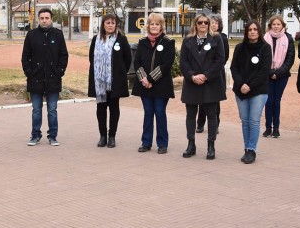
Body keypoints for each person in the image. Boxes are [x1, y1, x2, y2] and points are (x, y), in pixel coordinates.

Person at [180, 14, 226, 160]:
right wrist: (193, 76)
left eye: (206, 22)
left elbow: (220, 60)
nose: (203, 24)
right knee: (190, 115)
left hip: (210, 82)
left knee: (211, 114)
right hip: (192, 82)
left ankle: (211, 146)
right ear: (195, 24)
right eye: (200, 22)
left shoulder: (216, 38)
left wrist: (205, 76)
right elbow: (183, 62)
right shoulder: (188, 40)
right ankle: (191, 144)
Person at [21, 8, 68, 146]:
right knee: (36, 110)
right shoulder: (31, 35)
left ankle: (53, 136)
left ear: (51, 19)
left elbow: (63, 55)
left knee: (52, 110)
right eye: (41, 18)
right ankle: (35, 135)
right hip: (35, 79)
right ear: (38, 19)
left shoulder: (58, 35)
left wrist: (60, 71)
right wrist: (29, 72)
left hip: (53, 78)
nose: (44, 20)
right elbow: (25, 56)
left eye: (47, 18)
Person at [132, 13, 175, 154]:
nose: (154, 26)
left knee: (160, 113)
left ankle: (162, 144)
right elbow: (137, 61)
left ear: (161, 26)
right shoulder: (142, 41)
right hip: (144, 85)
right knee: (148, 113)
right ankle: (146, 142)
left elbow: (167, 64)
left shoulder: (168, 42)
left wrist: (150, 79)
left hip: (161, 85)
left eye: (157, 24)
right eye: (152, 24)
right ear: (148, 26)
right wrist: (144, 79)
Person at [88, 14, 132, 148]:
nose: (110, 25)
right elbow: (91, 58)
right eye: (108, 23)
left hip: (115, 81)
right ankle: (102, 136)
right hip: (99, 82)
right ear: (103, 25)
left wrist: (118, 72)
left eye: (113, 23)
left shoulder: (122, 39)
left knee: (114, 108)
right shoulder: (96, 39)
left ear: (116, 25)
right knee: (101, 108)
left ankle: (112, 136)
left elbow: (128, 59)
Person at [231, 20, 272, 164]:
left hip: (258, 90)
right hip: (241, 90)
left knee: (254, 120)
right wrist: (241, 84)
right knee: (245, 121)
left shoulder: (265, 48)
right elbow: (234, 68)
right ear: (246, 32)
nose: (253, 32)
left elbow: (264, 71)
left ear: (259, 31)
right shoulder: (239, 48)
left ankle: (252, 149)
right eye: (250, 29)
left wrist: (249, 85)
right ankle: (246, 148)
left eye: (255, 29)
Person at [262, 15, 295, 138]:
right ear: (270, 26)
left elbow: (290, 58)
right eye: (273, 24)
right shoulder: (264, 38)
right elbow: (262, 58)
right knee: (268, 101)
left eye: (278, 24)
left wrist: (278, 72)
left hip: (282, 75)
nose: (276, 26)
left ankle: (276, 128)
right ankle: (267, 128)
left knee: (276, 101)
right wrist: (270, 72)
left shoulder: (288, 38)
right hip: (267, 75)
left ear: (283, 26)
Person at [196, 14, 229, 134]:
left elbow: (223, 58)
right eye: (212, 22)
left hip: (216, 73)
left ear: (219, 25)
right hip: (202, 73)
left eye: (216, 23)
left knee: (215, 101)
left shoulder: (222, 38)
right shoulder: (203, 37)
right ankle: (200, 123)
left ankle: (215, 124)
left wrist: (212, 71)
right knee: (201, 100)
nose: (214, 25)